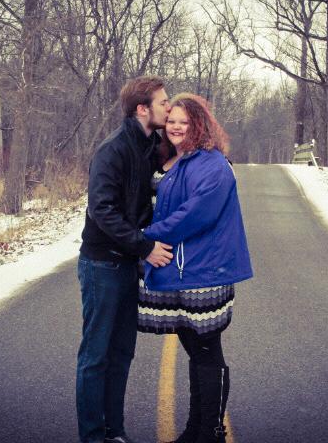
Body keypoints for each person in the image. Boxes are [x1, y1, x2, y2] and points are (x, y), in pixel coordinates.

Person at [138, 93, 253, 443]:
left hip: (205, 272)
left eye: (184, 122)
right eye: (171, 120)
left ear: (199, 125)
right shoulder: (174, 158)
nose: (175, 127)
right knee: (194, 346)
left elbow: (195, 215)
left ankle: (211, 431)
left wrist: (144, 238)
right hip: (183, 269)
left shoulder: (212, 164)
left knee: (206, 349)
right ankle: (195, 430)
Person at [76, 76, 175, 443]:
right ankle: (92, 436)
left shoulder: (152, 147)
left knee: (121, 353)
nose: (169, 107)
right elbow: (101, 209)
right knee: (96, 356)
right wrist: (144, 247)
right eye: (163, 102)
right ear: (142, 109)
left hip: (128, 265)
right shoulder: (113, 149)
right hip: (102, 265)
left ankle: (114, 432)